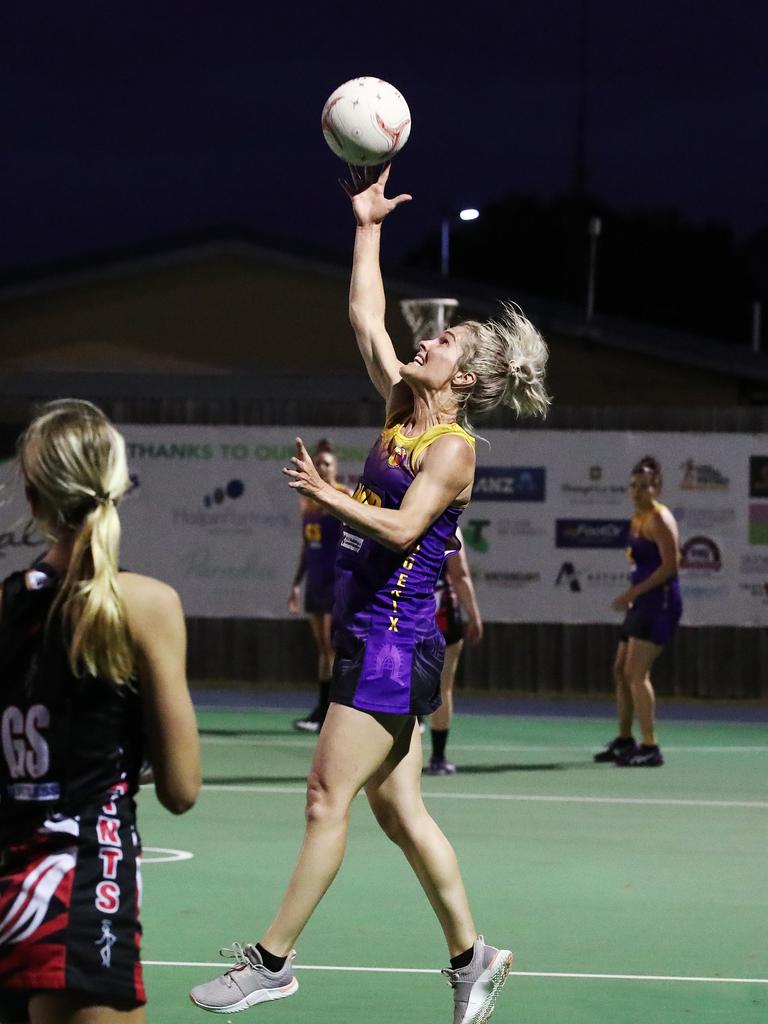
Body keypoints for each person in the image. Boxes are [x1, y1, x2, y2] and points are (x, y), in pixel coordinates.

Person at [190, 164, 550, 1022]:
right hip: (370, 626)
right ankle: (474, 958)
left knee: (325, 797)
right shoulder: (401, 404)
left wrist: (329, 496)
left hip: (394, 641)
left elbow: (400, 529)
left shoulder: (454, 449)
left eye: (447, 342)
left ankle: (271, 961)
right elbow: (364, 318)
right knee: (400, 812)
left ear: (465, 379)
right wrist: (366, 226)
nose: (427, 341)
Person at [0, 399, 200, 1024]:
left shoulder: (5, 605)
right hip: (82, 897)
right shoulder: (146, 606)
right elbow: (181, 788)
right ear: (120, 487)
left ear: (32, 500)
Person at [594, 455, 682, 767]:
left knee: (636, 673)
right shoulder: (637, 517)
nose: (638, 491)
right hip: (642, 602)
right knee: (620, 670)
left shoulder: (659, 518)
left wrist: (634, 592)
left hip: (660, 603)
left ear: (656, 487)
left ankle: (650, 746)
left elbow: (671, 566)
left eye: (644, 486)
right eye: (634, 486)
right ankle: (625, 739)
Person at [288, 441, 350, 733]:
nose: (323, 467)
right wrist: (296, 584)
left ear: (335, 468)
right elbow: (306, 548)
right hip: (314, 581)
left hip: (336, 582)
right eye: (319, 462)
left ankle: (330, 712)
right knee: (323, 650)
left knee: (332, 648)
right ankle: (322, 708)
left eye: (328, 463)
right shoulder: (307, 502)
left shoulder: (343, 496)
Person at [427, 527, 483, 775]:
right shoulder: (447, 526)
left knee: (398, 683)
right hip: (441, 615)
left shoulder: (397, 513)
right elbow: (459, 574)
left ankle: (391, 758)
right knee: (442, 686)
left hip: (402, 610)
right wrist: (474, 616)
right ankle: (438, 758)